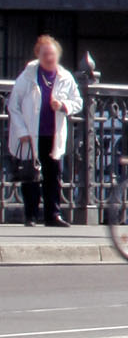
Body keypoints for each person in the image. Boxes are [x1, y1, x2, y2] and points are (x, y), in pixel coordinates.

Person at [8, 34, 81, 228]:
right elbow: (13, 105)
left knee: (53, 174)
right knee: (31, 174)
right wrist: (21, 130)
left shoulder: (65, 77)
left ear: (58, 55)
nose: (49, 58)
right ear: (38, 56)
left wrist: (63, 105)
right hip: (31, 134)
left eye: (52, 54)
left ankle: (53, 215)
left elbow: (78, 102)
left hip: (53, 134)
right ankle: (30, 215)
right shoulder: (27, 76)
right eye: (45, 54)